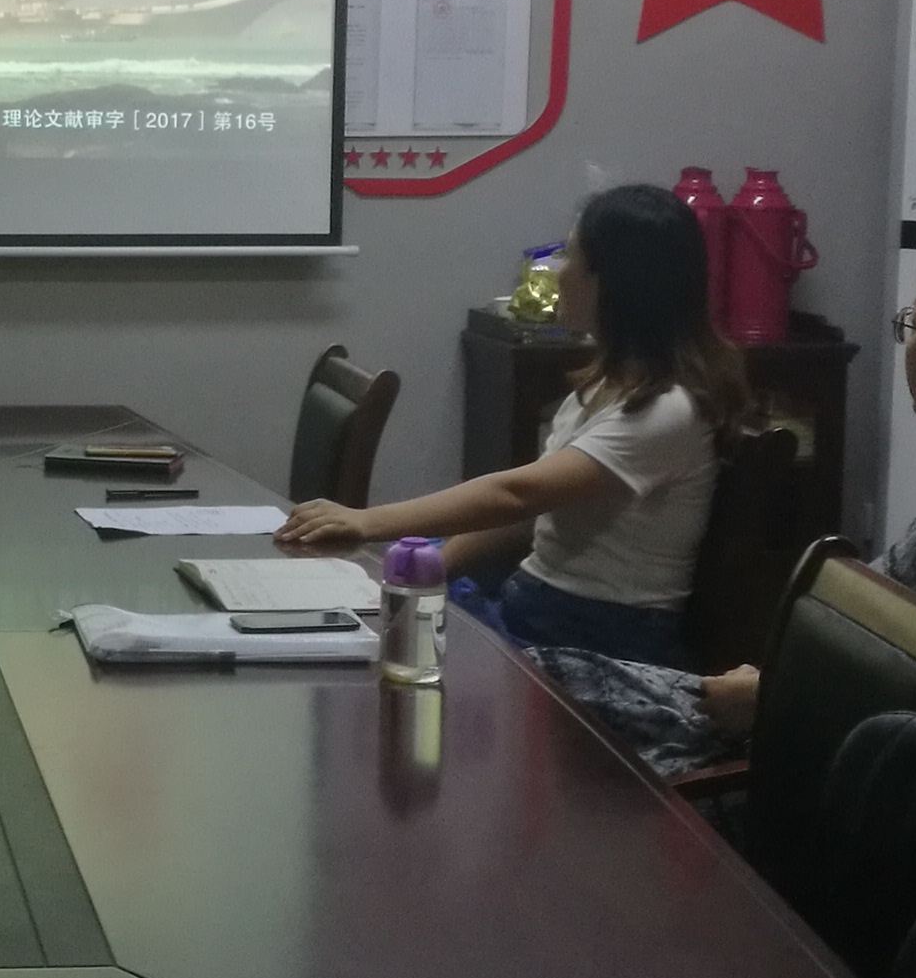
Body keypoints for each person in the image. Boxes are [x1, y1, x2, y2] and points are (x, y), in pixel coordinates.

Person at [550, 227, 916, 775]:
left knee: (560, 721)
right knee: (554, 678)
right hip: (802, 730)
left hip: (818, 785)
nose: (906, 343)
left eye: (914, 326)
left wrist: (765, 695)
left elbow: (905, 702)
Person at [278, 185, 742, 665]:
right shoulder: (606, 388)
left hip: (598, 639)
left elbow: (516, 494)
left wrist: (366, 521)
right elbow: (526, 515)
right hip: (538, 608)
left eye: (571, 258)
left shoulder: (665, 410)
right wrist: (436, 565)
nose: (558, 272)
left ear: (614, 282)